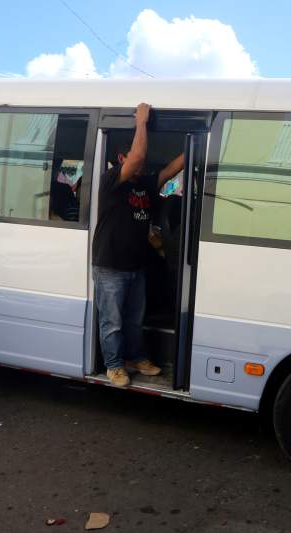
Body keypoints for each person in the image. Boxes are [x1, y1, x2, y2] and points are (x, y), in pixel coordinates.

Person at [92, 102, 184, 387]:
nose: (140, 163)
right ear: (122, 158)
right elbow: (137, 155)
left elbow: (169, 171)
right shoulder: (111, 181)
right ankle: (114, 365)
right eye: (133, 158)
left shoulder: (145, 184)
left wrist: (200, 143)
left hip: (136, 265)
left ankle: (134, 357)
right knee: (113, 322)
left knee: (134, 320)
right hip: (111, 266)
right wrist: (141, 122)